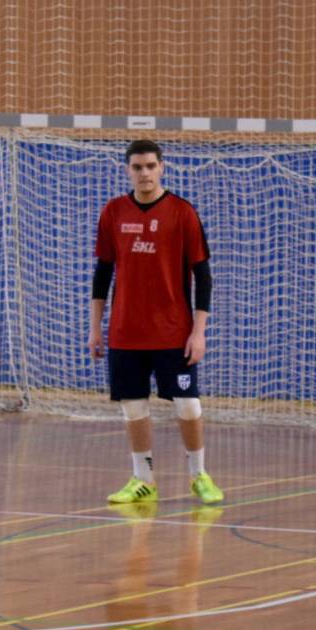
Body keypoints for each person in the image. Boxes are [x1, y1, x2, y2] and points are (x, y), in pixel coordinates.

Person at [88, 139, 223, 506]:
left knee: (188, 405)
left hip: (173, 333)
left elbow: (203, 276)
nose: (144, 173)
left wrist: (198, 332)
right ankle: (143, 480)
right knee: (133, 407)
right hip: (126, 333)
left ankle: (199, 475)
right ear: (127, 170)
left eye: (150, 166)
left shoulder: (182, 212)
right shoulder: (113, 212)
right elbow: (102, 274)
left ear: (162, 167)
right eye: (137, 167)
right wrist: (95, 328)